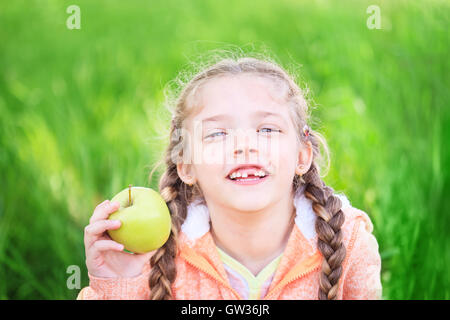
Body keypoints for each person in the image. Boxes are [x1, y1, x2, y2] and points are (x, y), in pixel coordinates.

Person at [77, 55, 382, 300]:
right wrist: (116, 286)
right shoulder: (156, 254)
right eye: (217, 133)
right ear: (186, 166)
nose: (244, 145)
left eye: (267, 129)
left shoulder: (349, 243)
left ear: (303, 155)